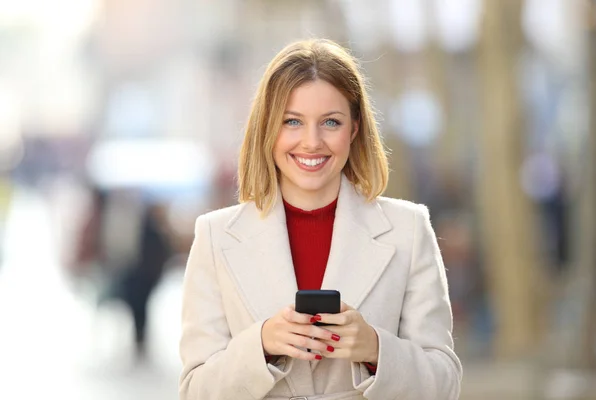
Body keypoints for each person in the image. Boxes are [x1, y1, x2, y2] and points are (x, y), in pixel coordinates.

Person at [179, 39, 462, 400]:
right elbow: (194, 390)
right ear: (268, 128)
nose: (312, 142)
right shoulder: (215, 237)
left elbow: (446, 384)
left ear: (354, 129)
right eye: (292, 121)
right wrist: (262, 344)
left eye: (330, 122)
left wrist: (375, 349)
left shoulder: (408, 230)